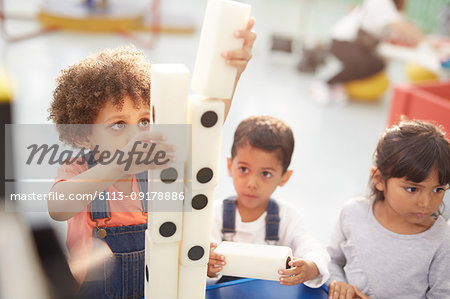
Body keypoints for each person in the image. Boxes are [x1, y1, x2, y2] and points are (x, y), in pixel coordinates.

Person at [47, 18, 256, 299]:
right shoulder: (79, 169)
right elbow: (58, 207)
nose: (136, 134)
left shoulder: (160, 165)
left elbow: (208, 126)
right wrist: (120, 164)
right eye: (119, 124)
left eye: (145, 120)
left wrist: (232, 73)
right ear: (84, 136)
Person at [327, 119, 450, 299]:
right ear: (378, 179)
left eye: (438, 190)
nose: (426, 202)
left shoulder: (443, 240)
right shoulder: (352, 213)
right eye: (412, 189)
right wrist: (338, 284)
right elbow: (331, 261)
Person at [207, 115, 330, 287]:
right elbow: (198, 271)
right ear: (229, 166)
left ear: (284, 177)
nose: (252, 184)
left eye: (265, 174)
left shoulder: (287, 217)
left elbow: (315, 250)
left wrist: (310, 267)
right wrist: (207, 267)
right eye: (243, 169)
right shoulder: (214, 214)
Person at [312, 0, 423, 105]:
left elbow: (401, 31)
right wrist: (424, 39)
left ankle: (337, 86)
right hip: (341, 40)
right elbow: (403, 28)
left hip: (359, 44)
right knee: (363, 64)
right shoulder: (380, 2)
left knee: (378, 65)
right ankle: (324, 84)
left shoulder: (394, 8)